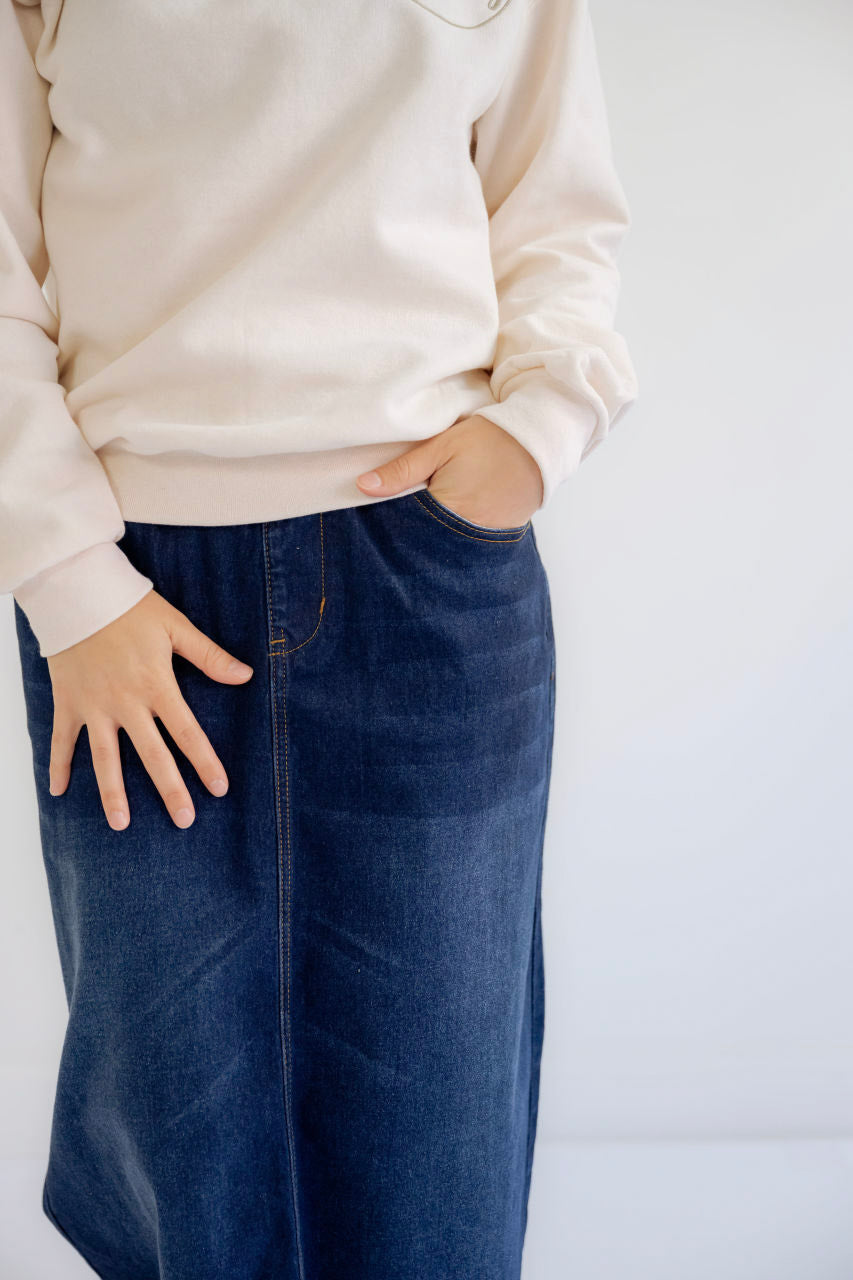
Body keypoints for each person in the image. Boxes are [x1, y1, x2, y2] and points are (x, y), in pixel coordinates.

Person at [1, 1, 638, 1276]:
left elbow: (556, 210)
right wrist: (67, 576)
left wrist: (535, 434)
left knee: (435, 1129)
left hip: (425, 566)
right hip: (132, 597)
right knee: (175, 1120)